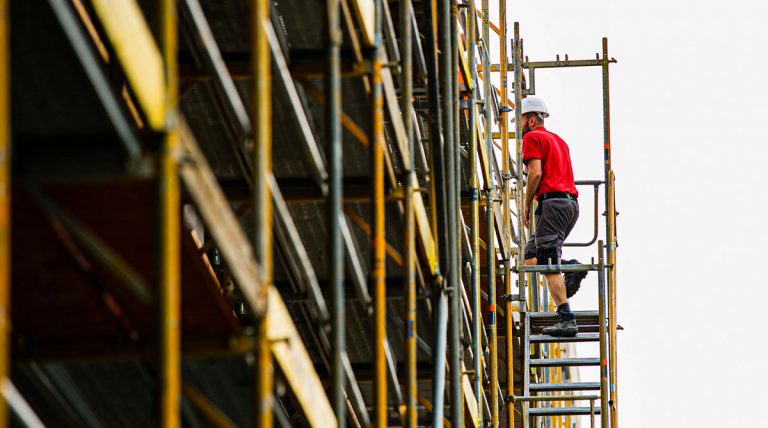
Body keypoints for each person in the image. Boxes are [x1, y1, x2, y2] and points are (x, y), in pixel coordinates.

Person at [517, 96, 586, 337]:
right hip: (569, 206)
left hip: (553, 204)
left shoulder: (531, 137)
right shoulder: (559, 140)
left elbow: (535, 173)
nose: (519, 124)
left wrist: (525, 204)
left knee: (548, 264)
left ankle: (567, 319)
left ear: (532, 119)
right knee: (530, 257)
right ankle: (571, 268)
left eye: (521, 119)